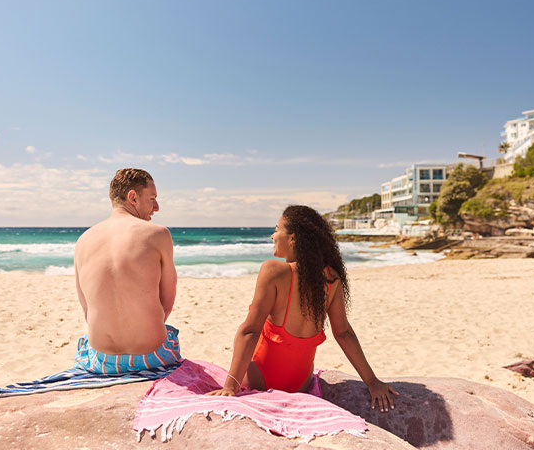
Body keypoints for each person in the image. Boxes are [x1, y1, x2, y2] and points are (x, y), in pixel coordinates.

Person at [207, 205, 398, 412]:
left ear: (293, 238)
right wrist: (372, 382)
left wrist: (230, 386)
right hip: (300, 385)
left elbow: (250, 331)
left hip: (261, 380)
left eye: (277, 229)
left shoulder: (273, 270)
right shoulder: (331, 277)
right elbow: (343, 333)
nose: (272, 236)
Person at [73, 168, 181, 373]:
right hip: (152, 357)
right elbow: (166, 305)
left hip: (102, 361)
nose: (156, 207)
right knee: (169, 333)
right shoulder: (158, 234)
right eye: (152, 198)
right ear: (132, 197)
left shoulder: (83, 240)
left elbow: (88, 310)